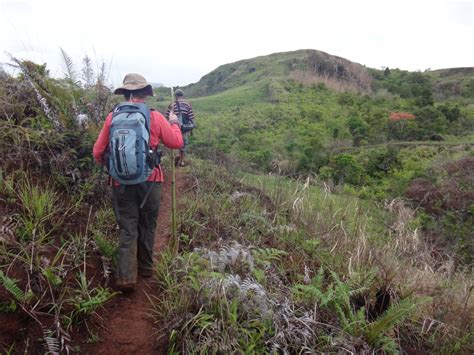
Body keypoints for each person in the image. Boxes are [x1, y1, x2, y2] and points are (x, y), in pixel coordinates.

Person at [93, 73, 183, 290]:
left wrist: (114, 167)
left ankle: (125, 278)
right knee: (147, 224)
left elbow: (97, 152)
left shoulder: (112, 117)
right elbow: (176, 142)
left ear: (125, 93)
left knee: (127, 228)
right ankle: (146, 268)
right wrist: (174, 123)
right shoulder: (155, 117)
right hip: (151, 182)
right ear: (144, 93)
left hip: (120, 184)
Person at [166, 89, 195, 166]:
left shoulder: (172, 105)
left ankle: (175, 157)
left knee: (174, 143)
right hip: (184, 129)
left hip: (174, 128)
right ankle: (181, 161)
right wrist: (191, 130)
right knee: (183, 145)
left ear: (175, 96)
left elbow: (167, 117)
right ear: (182, 95)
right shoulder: (187, 105)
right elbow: (191, 118)